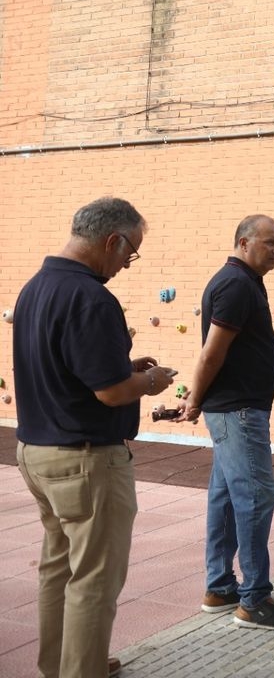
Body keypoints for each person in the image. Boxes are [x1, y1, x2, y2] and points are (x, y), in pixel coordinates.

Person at [13, 197, 176, 678]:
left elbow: (66, 368)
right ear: (112, 240)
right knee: (94, 582)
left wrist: (122, 369)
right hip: (85, 460)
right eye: (132, 251)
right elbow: (109, 394)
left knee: (59, 570)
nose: (129, 262)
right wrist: (149, 382)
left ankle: (60, 664)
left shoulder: (37, 286)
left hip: (37, 451)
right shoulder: (91, 296)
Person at [178, 215, 274, 630]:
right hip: (238, 410)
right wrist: (194, 399)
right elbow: (211, 353)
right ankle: (254, 599)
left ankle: (219, 587)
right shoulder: (235, 283)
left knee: (227, 496)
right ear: (244, 242)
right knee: (255, 496)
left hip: (235, 408)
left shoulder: (243, 281)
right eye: (271, 242)